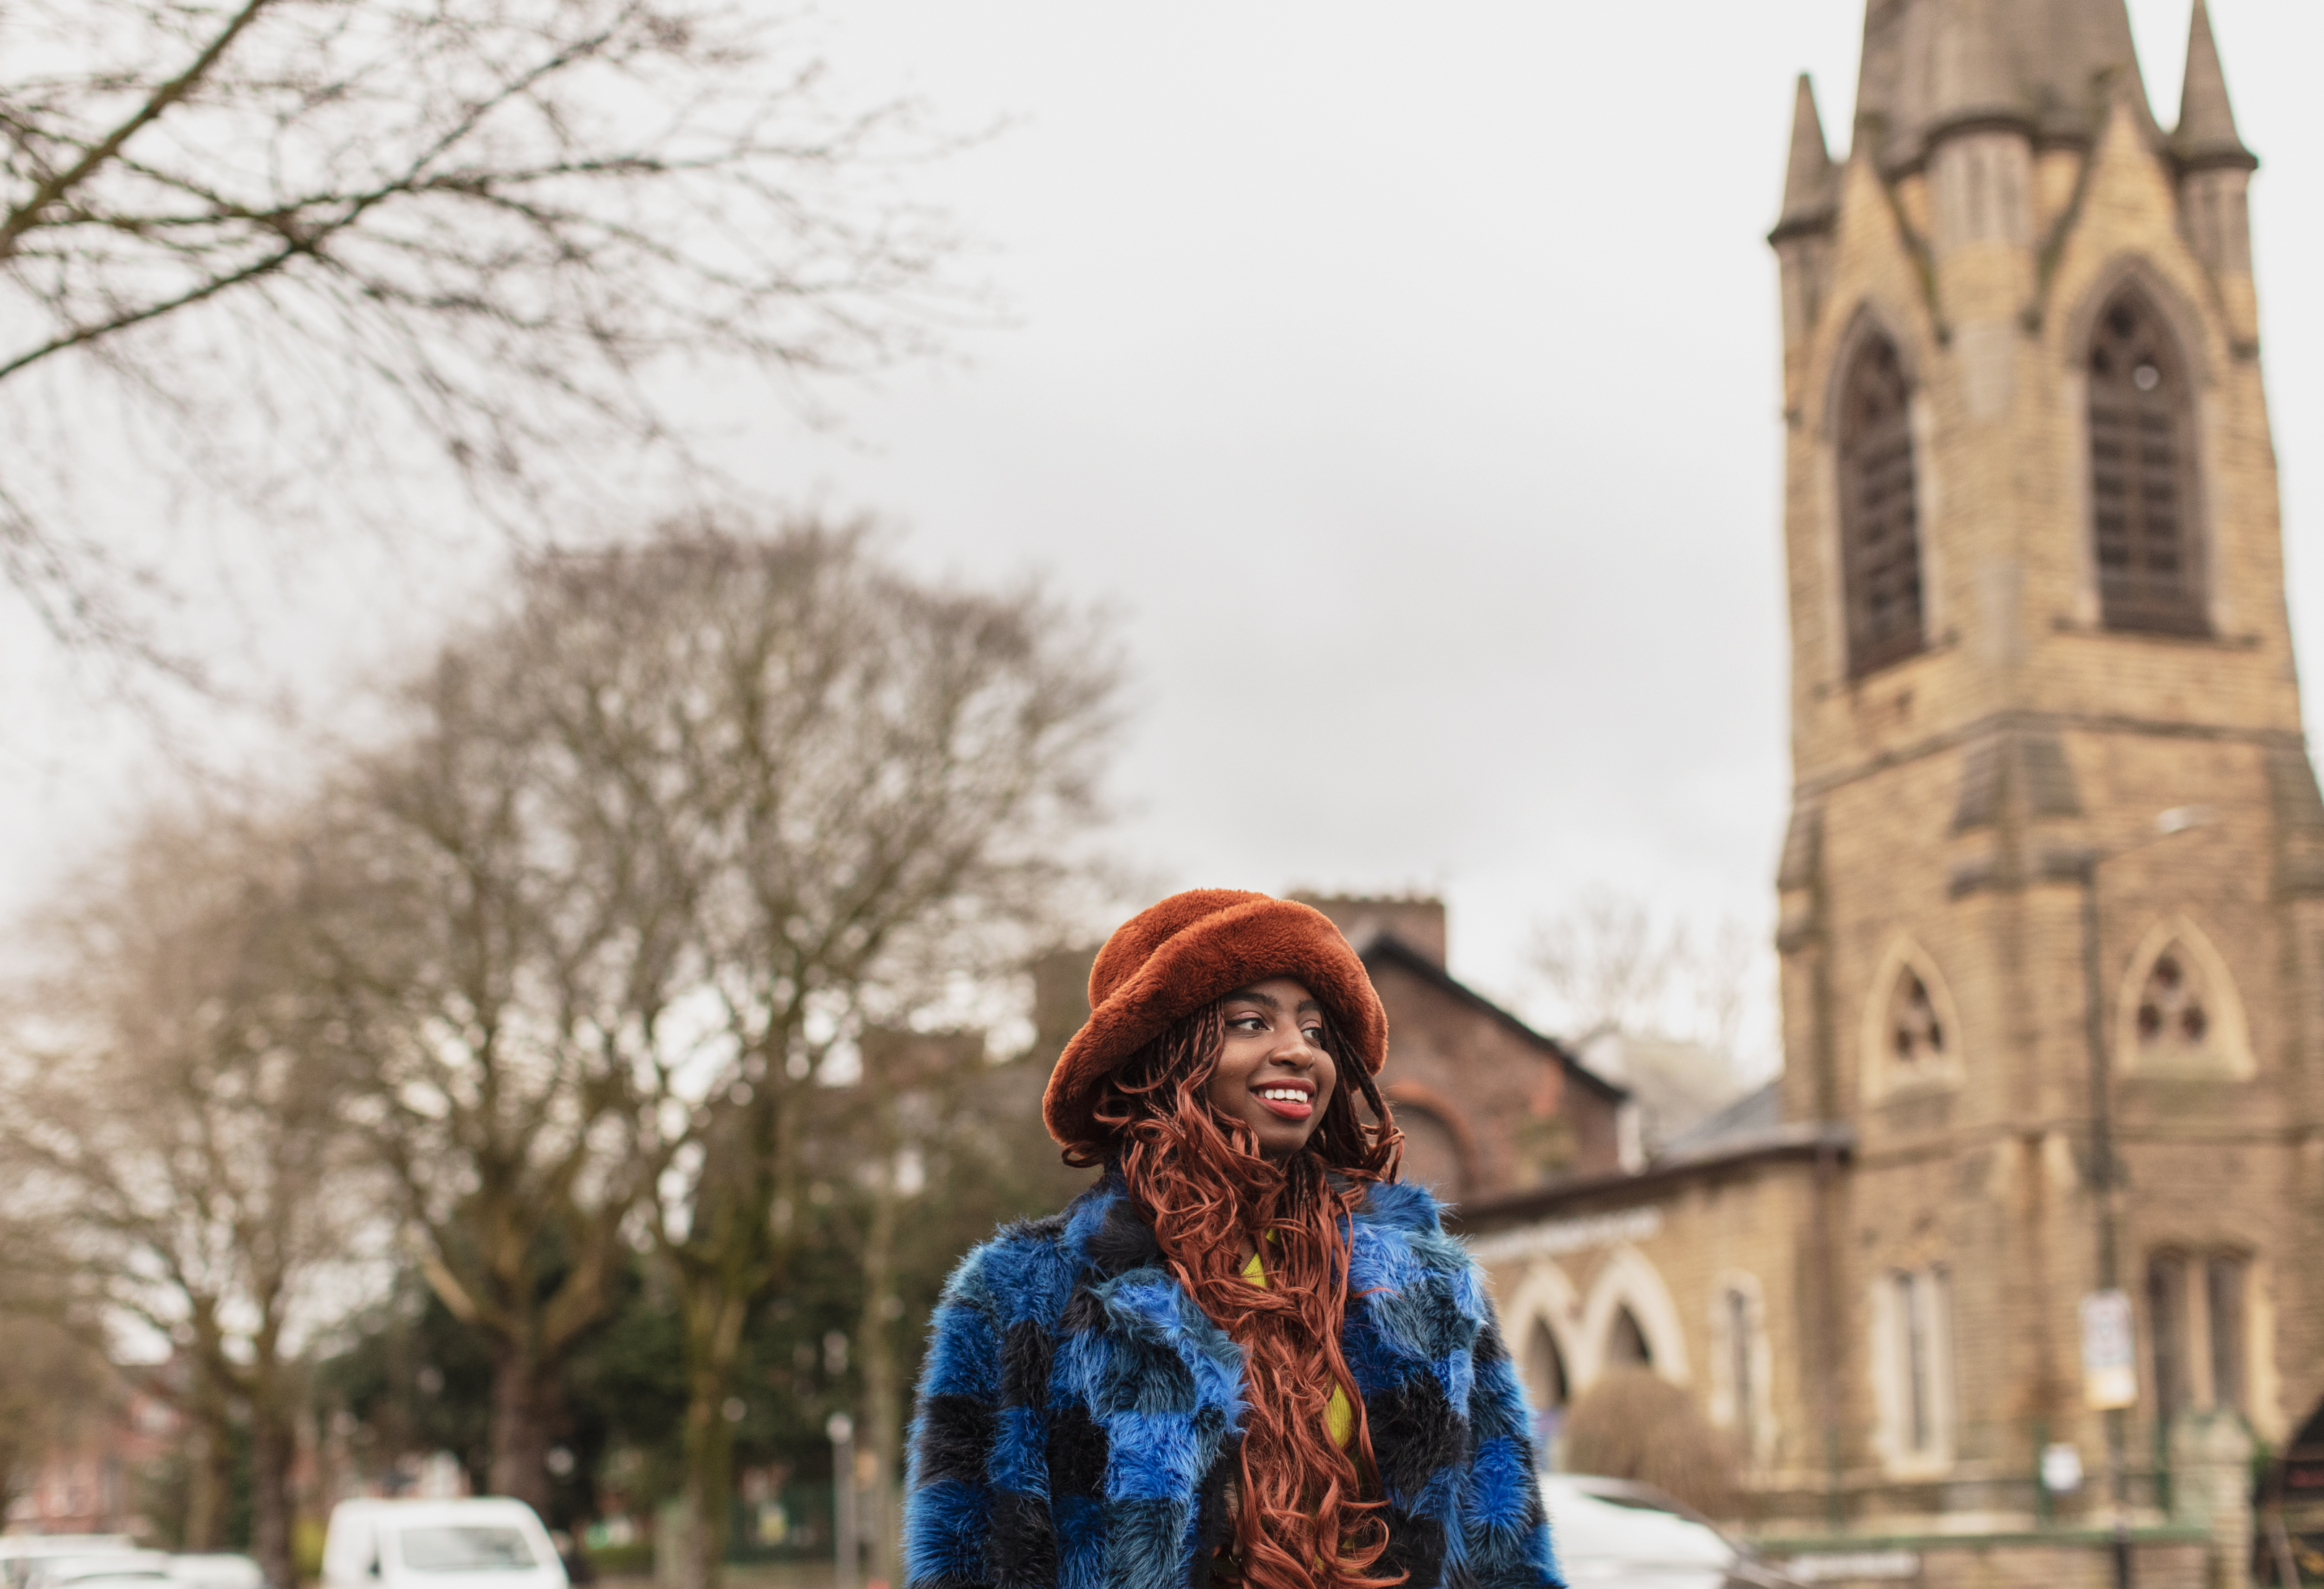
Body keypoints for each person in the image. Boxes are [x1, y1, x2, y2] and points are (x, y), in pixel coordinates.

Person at [901, 889, 1563, 1589]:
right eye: (1250, 1022)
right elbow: (963, 1561)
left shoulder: (1429, 1291)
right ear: (1161, 1054)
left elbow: (1507, 1559)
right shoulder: (1023, 1290)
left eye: (1314, 1031)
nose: (1296, 1050)